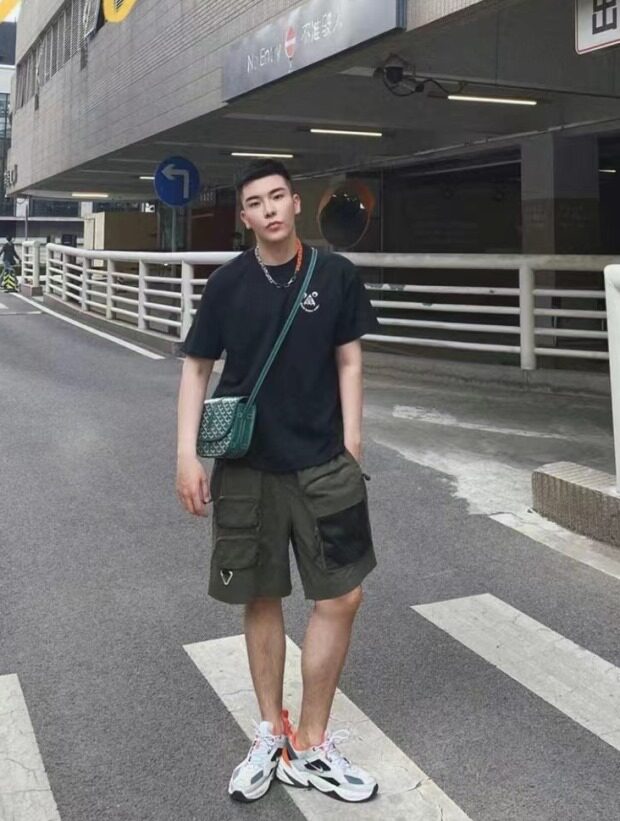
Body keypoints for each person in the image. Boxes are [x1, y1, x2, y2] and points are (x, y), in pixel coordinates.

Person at [176, 160, 380, 805]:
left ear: (296, 203)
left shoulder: (335, 275)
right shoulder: (227, 284)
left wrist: (352, 441)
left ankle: (311, 743)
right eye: (255, 202)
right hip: (246, 466)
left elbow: (349, 359)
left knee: (343, 594)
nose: (268, 209)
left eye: (277, 197)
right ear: (244, 216)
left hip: (323, 460)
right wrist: (186, 455)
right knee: (260, 595)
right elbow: (197, 368)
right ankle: (272, 733)